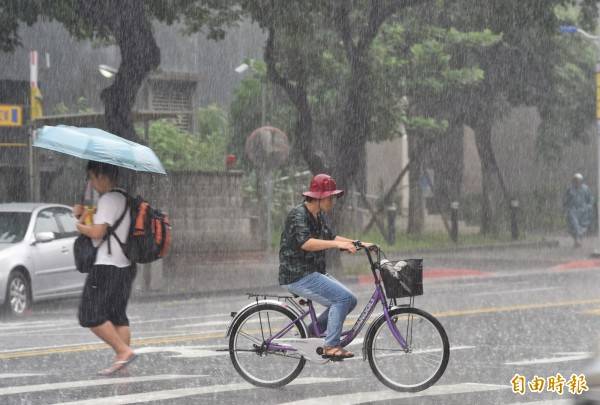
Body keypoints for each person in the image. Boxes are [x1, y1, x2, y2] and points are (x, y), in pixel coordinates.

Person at [278, 173, 372, 359]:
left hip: (311, 272)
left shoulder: (317, 215)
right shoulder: (298, 215)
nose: (333, 201)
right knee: (342, 299)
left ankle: (313, 332)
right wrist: (338, 245)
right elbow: (307, 243)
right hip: (297, 275)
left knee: (350, 300)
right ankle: (331, 346)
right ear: (319, 197)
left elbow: (332, 237)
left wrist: (359, 243)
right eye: (330, 197)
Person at [73, 161, 137, 375]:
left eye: (91, 178)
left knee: (89, 315)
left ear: (100, 175)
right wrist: (83, 214)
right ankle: (123, 364)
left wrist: (79, 225)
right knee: (118, 315)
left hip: (106, 267)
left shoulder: (109, 199)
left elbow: (97, 233)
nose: (91, 183)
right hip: (124, 267)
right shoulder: (125, 198)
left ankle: (122, 351)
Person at [563, 173, 593, 248]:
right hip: (573, 210)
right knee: (574, 225)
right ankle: (577, 239)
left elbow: (590, 199)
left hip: (583, 210)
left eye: (579, 180)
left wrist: (588, 207)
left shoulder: (586, 189)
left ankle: (578, 240)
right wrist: (566, 208)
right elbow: (566, 200)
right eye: (575, 180)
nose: (577, 182)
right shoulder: (570, 189)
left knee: (582, 227)